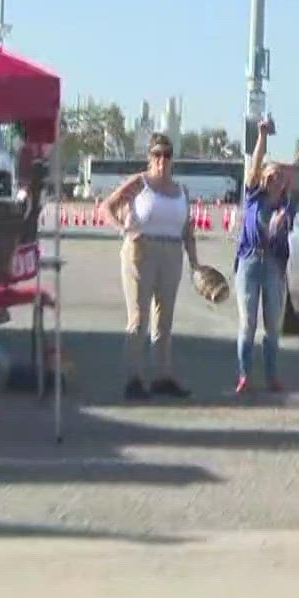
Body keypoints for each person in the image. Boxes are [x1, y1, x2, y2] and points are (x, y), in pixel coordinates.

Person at [99, 133, 200, 400]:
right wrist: (124, 229)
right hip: (141, 249)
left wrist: (195, 261)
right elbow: (106, 207)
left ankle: (162, 376)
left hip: (171, 250)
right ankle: (133, 378)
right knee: (139, 317)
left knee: (164, 318)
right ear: (149, 158)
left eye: (167, 155)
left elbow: (188, 229)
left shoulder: (181, 191)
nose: (162, 160)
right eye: (157, 154)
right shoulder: (139, 183)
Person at [235, 116, 294, 395]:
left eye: (278, 176)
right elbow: (254, 164)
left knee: (272, 324)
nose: (273, 178)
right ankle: (245, 374)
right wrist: (262, 136)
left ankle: (272, 376)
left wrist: (283, 223)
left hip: (273, 264)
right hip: (249, 261)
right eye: (270, 175)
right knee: (248, 323)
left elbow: (285, 239)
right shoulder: (253, 197)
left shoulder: (285, 207)